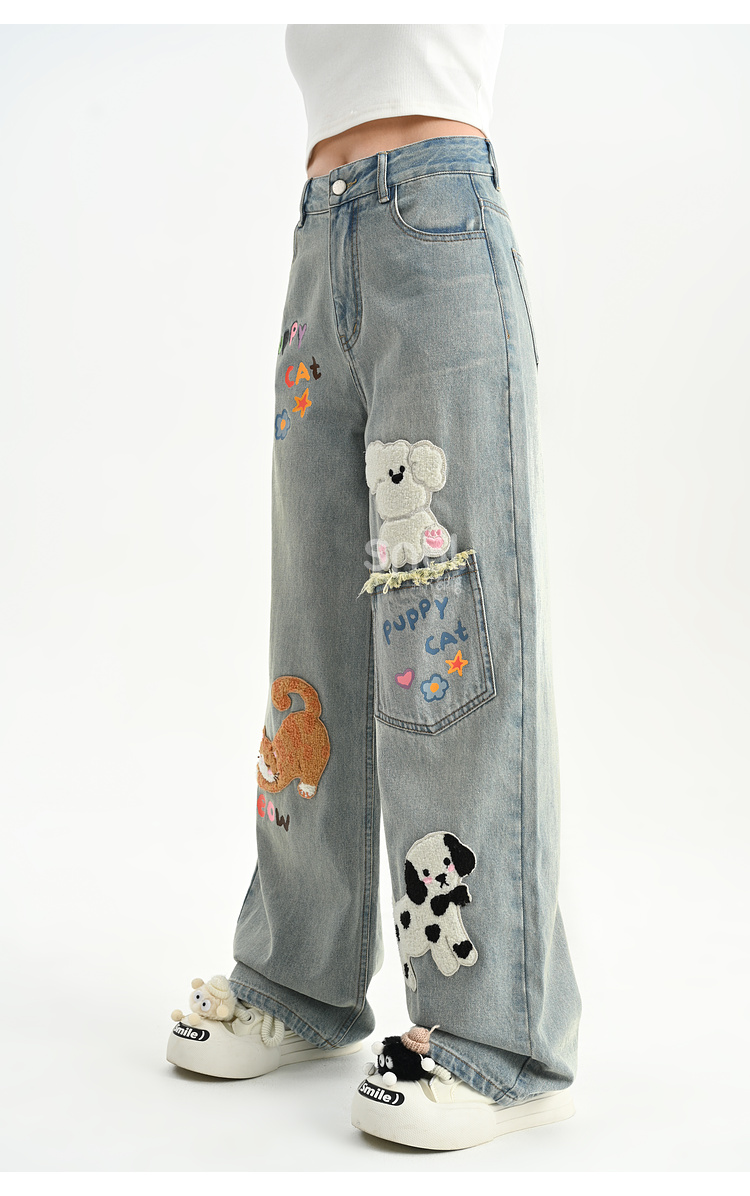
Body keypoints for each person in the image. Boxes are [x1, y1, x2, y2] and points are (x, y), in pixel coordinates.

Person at [166, 23, 582, 1153]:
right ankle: (300, 976)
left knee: (450, 644)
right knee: (314, 635)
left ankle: (501, 1038)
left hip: (439, 229)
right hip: (321, 239)